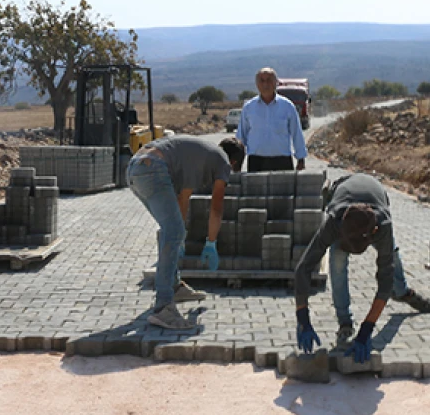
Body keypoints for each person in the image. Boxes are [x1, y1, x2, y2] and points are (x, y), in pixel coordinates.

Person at [293, 173, 430, 361]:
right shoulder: (335, 221)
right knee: (337, 261)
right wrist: (303, 318)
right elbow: (304, 267)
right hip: (343, 189)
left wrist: (366, 330)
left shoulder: (383, 225)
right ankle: (345, 323)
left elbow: (384, 283)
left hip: (375, 192)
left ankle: (401, 292)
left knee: (391, 255)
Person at [127, 135, 246, 330]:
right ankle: (163, 307)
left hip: (137, 167)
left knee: (172, 230)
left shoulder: (201, 154)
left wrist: (179, 237)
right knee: (172, 232)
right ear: (233, 162)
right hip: (152, 169)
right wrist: (211, 243)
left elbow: (183, 198)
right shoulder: (222, 162)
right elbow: (216, 207)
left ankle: (173, 286)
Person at [236, 67, 308, 172]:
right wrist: (237, 162)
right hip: (256, 161)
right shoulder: (249, 108)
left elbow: (296, 133)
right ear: (257, 84)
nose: (265, 84)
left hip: (282, 161)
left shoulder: (287, 106)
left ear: (276, 83)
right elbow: (241, 137)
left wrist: (301, 159)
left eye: (269, 80)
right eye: (262, 80)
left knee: (284, 189)